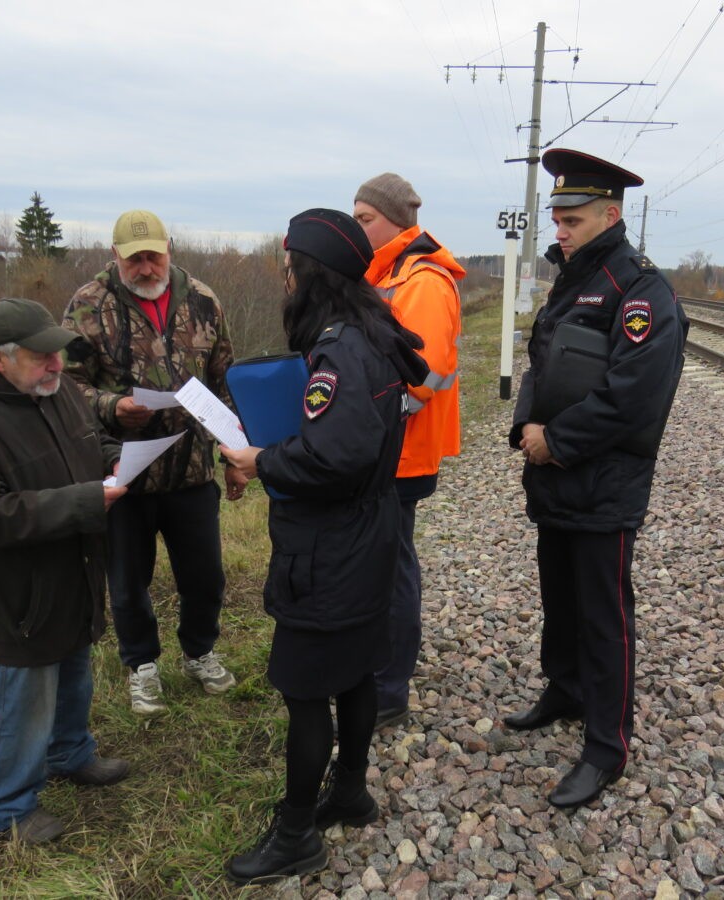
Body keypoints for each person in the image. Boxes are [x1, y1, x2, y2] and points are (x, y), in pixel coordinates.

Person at [220, 209, 428, 885]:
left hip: (329, 548)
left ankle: (296, 832)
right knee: (358, 671)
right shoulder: (375, 331)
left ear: (308, 276)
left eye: (287, 271)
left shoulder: (339, 351)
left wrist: (260, 460)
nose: (283, 283)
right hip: (370, 533)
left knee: (306, 690)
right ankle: (352, 790)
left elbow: (332, 455)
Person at [505, 148, 688, 808]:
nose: (559, 229)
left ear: (610, 215)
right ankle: (565, 689)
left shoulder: (640, 291)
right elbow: (541, 363)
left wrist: (554, 441)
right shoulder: (571, 280)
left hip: (603, 483)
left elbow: (632, 395)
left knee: (604, 615)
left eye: (572, 219)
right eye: (556, 218)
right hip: (553, 478)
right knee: (559, 595)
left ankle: (608, 745)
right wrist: (525, 427)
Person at [0, 298, 131, 844]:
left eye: (57, 354)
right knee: (23, 687)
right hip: (19, 591)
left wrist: (113, 459)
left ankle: (70, 753)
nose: (57, 366)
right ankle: (8, 806)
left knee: (75, 666)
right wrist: (85, 501)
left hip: (76, 566)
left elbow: (91, 441)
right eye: (41, 357)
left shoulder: (57, 391)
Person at [62, 210, 245, 716]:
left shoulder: (204, 300)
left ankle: (199, 652)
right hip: (124, 473)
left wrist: (234, 455)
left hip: (191, 470)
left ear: (169, 249)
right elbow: (67, 384)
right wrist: (111, 407)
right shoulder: (87, 305)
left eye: (153, 256)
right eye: (134, 258)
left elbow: (226, 380)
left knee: (205, 575)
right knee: (127, 581)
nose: (146, 268)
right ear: (115, 256)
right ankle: (142, 666)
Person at [353, 173, 466, 730]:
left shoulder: (422, 280)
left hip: (403, 451)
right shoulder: (391, 273)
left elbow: (422, 376)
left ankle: (389, 687)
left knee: (392, 566)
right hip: (390, 448)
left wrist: (359, 414)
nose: (359, 228)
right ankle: (380, 671)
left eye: (365, 219)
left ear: (397, 221)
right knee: (384, 562)